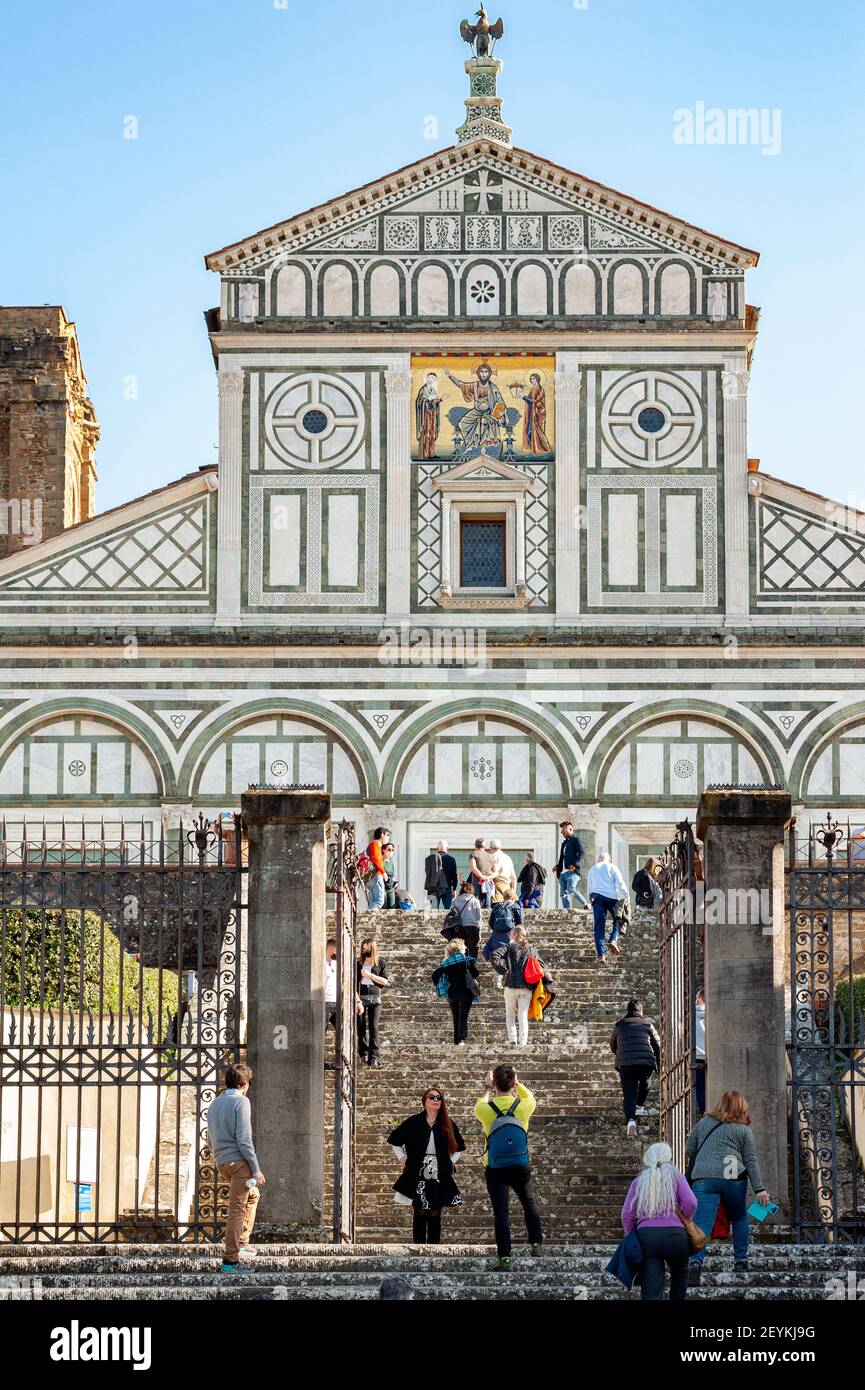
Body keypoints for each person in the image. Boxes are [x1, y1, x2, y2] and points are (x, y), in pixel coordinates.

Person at [684, 1090, 771, 1286]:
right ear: (742, 1108)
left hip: (704, 1179)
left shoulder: (704, 1123)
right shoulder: (743, 1130)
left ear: (720, 1105)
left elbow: (689, 1149)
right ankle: (740, 1261)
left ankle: (696, 1263)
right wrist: (759, 1189)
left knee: (702, 1224)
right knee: (739, 1217)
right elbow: (750, 1160)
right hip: (733, 1179)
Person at [475, 1064, 542, 1270]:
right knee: (529, 1203)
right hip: (520, 1163)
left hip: (495, 1167)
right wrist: (517, 1082)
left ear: (494, 1083)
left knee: (501, 1213)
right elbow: (528, 1095)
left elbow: (480, 1103)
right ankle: (536, 1244)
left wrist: (487, 1087)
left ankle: (504, 1257)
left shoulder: (484, 1109)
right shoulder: (525, 1106)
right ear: (513, 1083)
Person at [207, 1063, 266, 1273]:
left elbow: (209, 1139)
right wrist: (256, 1169)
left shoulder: (215, 1103)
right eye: (248, 1083)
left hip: (223, 1162)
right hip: (240, 1165)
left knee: (252, 1195)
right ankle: (230, 1260)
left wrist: (220, 1156)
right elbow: (244, 1138)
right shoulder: (241, 1101)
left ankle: (241, 1241)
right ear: (244, 1083)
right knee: (236, 1209)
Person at [388, 1086, 466, 1244]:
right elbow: (394, 1140)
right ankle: (419, 1248)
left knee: (435, 1212)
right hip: (418, 1171)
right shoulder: (413, 1122)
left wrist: (450, 1162)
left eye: (439, 1097)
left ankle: (434, 1248)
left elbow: (460, 1148)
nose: (436, 1100)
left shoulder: (448, 1124)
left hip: (440, 1173)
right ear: (424, 1101)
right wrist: (402, 1157)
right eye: (432, 1097)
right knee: (420, 1210)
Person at [621, 1142, 697, 1301]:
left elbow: (627, 1214)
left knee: (651, 1281)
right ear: (668, 1158)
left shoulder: (639, 1181)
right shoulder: (677, 1177)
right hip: (675, 1234)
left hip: (647, 1236)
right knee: (680, 1271)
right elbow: (691, 1202)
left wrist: (631, 1234)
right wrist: (684, 1220)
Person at [610, 999, 661, 1139]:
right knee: (646, 1083)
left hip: (626, 1064)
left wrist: (621, 1054)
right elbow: (657, 1045)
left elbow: (612, 1044)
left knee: (628, 1094)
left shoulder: (619, 1025)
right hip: (645, 1063)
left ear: (628, 1011)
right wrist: (660, 1064)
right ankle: (638, 1105)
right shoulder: (648, 1024)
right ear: (641, 1011)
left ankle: (631, 1120)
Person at [432, 938, 479, 1046]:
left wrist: (441, 985)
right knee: (463, 1016)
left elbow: (434, 976)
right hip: (467, 992)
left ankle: (456, 1041)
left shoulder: (446, 963)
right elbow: (476, 973)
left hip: (452, 993)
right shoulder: (468, 960)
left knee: (456, 1018)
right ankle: (462, 1039)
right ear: (462, 948)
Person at [586, 850, 629, 963]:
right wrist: (626, 896)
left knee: (599, 926)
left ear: (598, 860)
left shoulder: (593, 868)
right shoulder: (612, 867)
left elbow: (589, 887)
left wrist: (589, 901)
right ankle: (613, 939)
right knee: (619, 919)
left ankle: (601, 955)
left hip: (596, 897)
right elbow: (620, 882)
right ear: (609, 860)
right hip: (611, 897)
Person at [501, 926, 538, 1047]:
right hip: (526, 986)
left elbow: (494, 956)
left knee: (510, 1014)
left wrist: (502, 970)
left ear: (515, 935)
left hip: (510, 985)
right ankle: (523, 1042)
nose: (509, 936)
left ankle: (513, 1040)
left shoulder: (508, 947)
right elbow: (540, 965)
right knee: (523, 1015)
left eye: (510, 934)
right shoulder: (531, 949)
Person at [357, 937, 389, 1067]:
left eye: (367, 949)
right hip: (361, 998)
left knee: (374, 1027)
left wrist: (370, 975)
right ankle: (363, 1053)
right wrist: (357, 999)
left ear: (373, 949)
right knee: (361, 1026)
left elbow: (385, 981)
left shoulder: (381, 963)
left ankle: (375, 1057)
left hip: (375, 999)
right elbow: (353, 983)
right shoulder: (358, 964)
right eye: (363, 949)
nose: (364, 951)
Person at [441, 880, 483, 957]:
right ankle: (470, 967)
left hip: (459, 928)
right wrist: (479, 933)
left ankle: (463, 966)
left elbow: (452, 913)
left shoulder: (455, 900)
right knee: (473, 951)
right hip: (472, 928)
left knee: (461, 950)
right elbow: (479, 918)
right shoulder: (475, 901)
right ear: (472, 890)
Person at [555, 821, 588, 909]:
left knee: (571, 889)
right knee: (562, 895)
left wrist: (574, 864)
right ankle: (567, 910)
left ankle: (586, 904)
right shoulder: (564, 844)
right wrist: (557, 866)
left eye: (564, 829)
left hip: (573, 872)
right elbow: (562, 857)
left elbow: (582, 852)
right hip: (563, 873)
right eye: (562, 830)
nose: (562, 832)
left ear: (571, 829)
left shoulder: (576, 840)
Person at [424, 839, 458, 909]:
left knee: (433, 910)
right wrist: (454, 889)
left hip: (433, 888)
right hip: (447, 888)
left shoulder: (429, 859)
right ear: (447, 848)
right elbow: (454, 876)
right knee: (447, 910)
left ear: (437, 848)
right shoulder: (451, 859)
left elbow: (427, 873)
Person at [365, 825, 390, 911]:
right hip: (375, 876)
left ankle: (369, 919)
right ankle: (370, 916)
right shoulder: (375, 844)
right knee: (379, 901)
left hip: (371, 876)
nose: (388, 838)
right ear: (382, 835)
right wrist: (383, 872)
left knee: (373, 902)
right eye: (387, 835)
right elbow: (375, 859)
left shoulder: (375, 845)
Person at [468, 837, 494, 908]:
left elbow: (473, 868)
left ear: (475, 846)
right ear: (485, 846)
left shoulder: (473, 854)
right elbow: (495, 872)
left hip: (477, 882)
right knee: (488, 902)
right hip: (489, 882)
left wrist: (481, 877)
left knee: (477, 903)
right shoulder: (491, 856)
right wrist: (488, 877)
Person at [694, 988, 706, 1115]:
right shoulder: (715, 1011)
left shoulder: (691, 1012)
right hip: (712, 1054)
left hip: (697, 1055)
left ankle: (704, 1113)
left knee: (701, 1089)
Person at [325, 937, 338, 1033]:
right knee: (321, 1031)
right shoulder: (320, 963)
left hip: (337, 1002)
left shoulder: (336, 964)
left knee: (343, 1030)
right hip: (325, 1002)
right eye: (336, 950)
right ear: (331, 949)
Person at [382, 841, 397, 909]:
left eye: (392, 850)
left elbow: (392, 876)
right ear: (384, 850)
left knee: (392, 908)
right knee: (383, 907)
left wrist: (395, 882)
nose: (391, 852)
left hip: (391, 889)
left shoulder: (391, 863)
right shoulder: (381, 861)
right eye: (389, 849)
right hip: (383, 888)